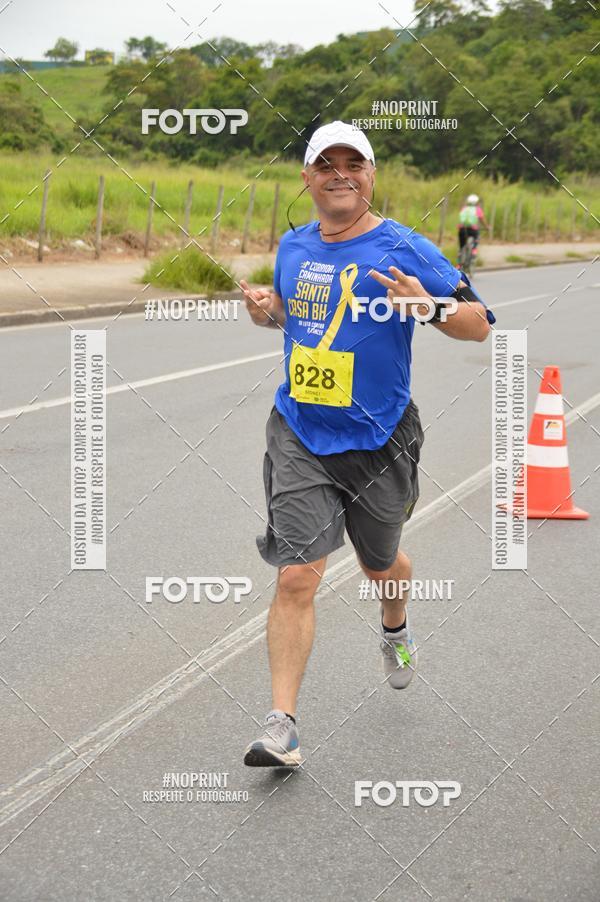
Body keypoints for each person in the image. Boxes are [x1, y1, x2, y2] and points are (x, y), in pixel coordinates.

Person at [240, 120, 495, 768]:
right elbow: (298, 319)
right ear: (307, 177)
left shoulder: (403, 246)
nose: (340, 173)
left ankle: (396, 625)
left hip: (380, 437)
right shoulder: (293, 248)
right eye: (327, 164)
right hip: (300, 430)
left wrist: (431, 309)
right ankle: (281, 726)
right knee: (298, 574)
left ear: (371, 174)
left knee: (383, 565)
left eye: (354, 162)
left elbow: (480, 324)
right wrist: (268, 310)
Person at [457, 193, 488, 266]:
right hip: (473, 229)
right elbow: (482, 219)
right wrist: (486, 227)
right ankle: (474, 250)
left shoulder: (464, 208)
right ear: (476, 202)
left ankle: (459, 263)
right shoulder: (478, 209)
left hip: (462, 228)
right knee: (477, 238)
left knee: (461, 246)